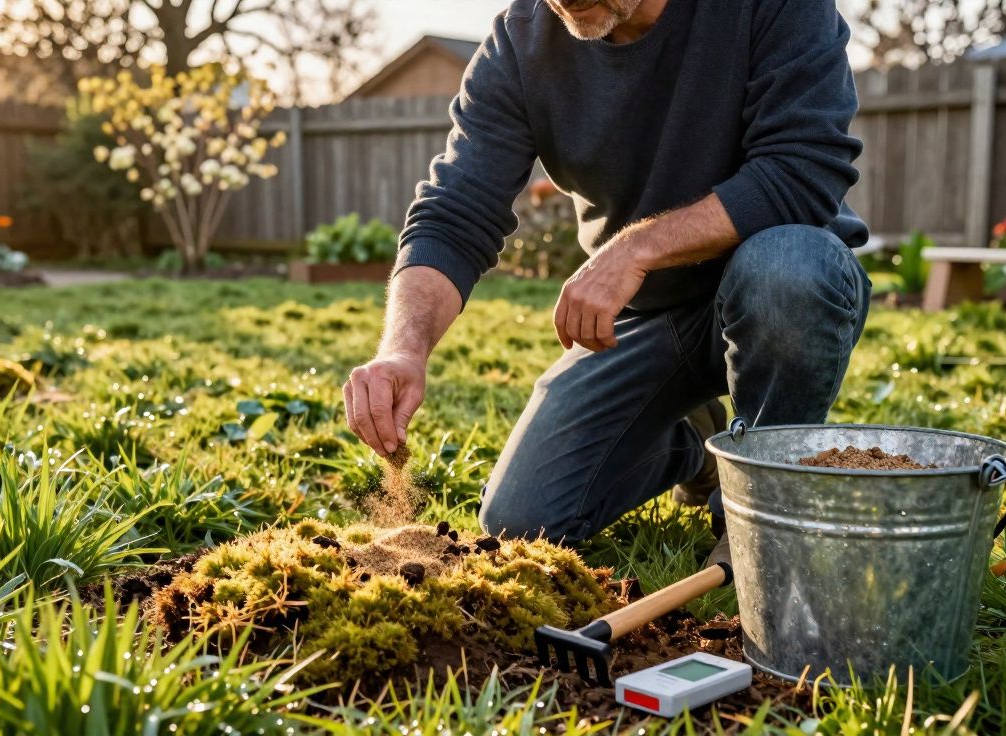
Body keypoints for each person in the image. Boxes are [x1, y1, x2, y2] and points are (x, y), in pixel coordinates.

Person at [342, 0, 872, 564]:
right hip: (648, 317)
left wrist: (634, 248)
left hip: (782, 292)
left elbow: (802, 169)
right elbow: (455, 212)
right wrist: (402, 350)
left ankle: (760, 521)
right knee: (522, 522)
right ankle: (699, 444)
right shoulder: (521, 44)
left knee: (789, 267)